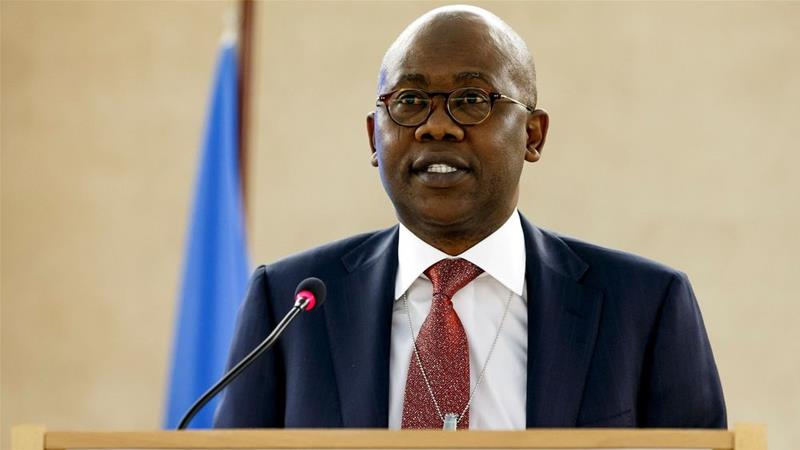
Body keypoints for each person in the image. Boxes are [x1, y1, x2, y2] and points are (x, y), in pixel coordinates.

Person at [214, 5, 726, 429]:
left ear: (533, 135)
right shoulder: (289, 306)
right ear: (374, 137)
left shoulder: (644, 306)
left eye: (472, 99)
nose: (437, 127)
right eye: (410, 101)